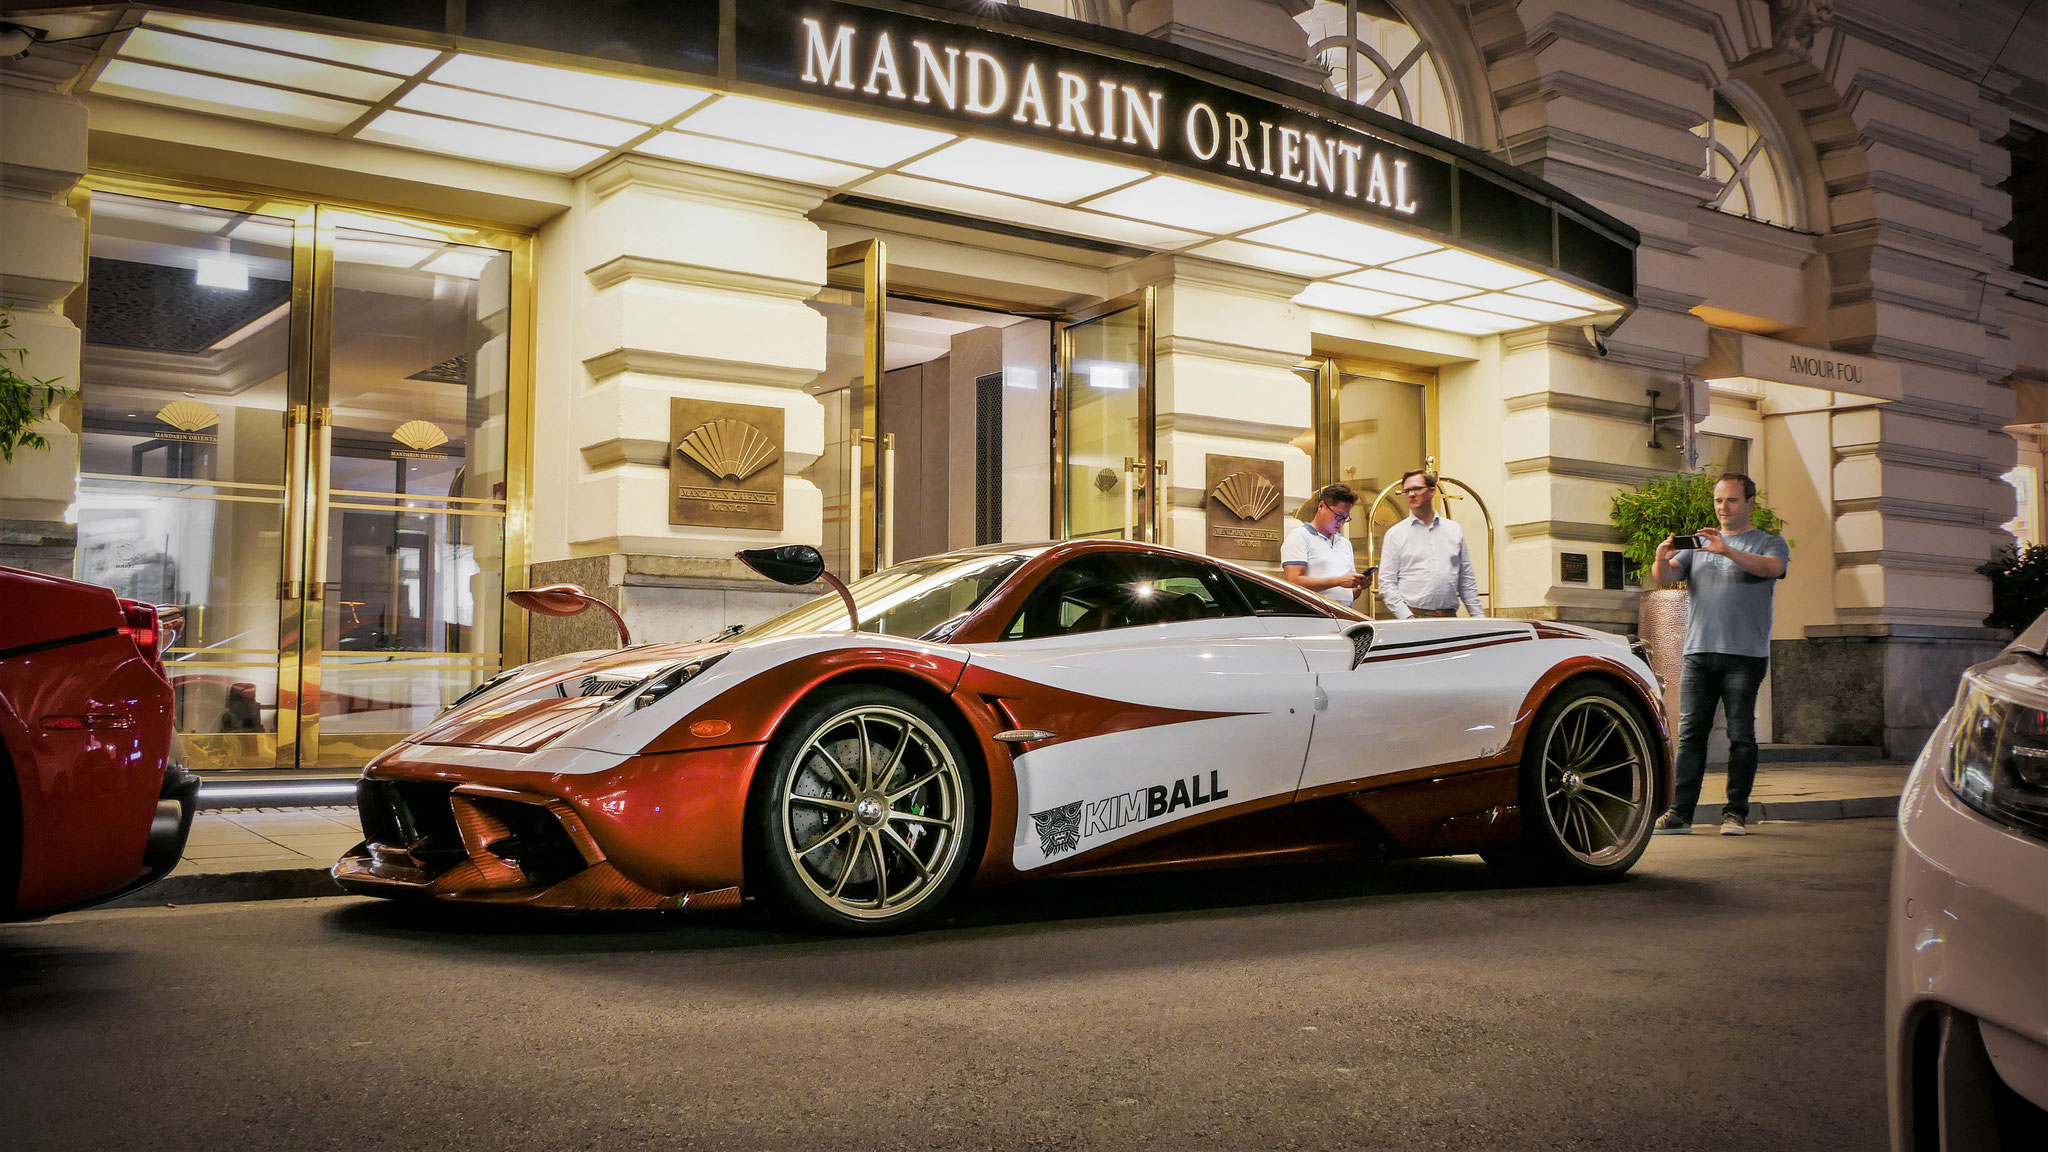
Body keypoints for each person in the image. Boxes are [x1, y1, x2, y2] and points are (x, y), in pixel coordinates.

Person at [1648, 473, 1790, 837]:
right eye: (1718, 501)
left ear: (1750, 503)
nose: (1722, 508)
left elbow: (1773, 569)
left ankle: (1735, 813)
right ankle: (1680, 814)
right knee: (1691, 735)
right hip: (1698, 652)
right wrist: (1661, 559)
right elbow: (1663, 578)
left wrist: (1727, 550)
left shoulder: (1768, 542)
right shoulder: (1699, 544)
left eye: (1731, 500)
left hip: (1744, 655)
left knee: (1740, 735)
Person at [1377, 470, 1484, 619]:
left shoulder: (1453, 530)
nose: (1411, 494)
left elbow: (1466, 580)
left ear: (1432, 491)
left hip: (1449, 617)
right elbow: (1387, 582)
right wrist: (1407, 617)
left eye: (1417, 489)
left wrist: (1479, 618)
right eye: (1407, 491)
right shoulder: (1395, 534)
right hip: (1414, 617)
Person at [1281, 483, 1365, 606]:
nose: (1341, 522)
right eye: (1338, 516)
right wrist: (1338, 581)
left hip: (1343, 612)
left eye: (1345, 518)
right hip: (1314, 612)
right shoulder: (1300, 537)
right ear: (1321, 506)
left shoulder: (1345, 543)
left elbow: (1348, 594)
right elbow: (1294, 582)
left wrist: (1359, 586)